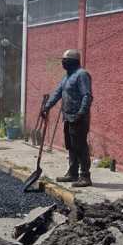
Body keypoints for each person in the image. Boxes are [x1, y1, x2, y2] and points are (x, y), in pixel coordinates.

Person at [41, 49, 94, 188]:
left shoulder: (81, 75)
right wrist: (46, 107)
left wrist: (81, 113)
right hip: (68, 117)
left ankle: (85, 176)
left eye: (65, 60)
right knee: (71, 146)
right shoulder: (67, 77)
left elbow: (87, 96)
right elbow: (57, 93)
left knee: (80, 146)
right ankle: (73, 173)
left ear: (73, 61)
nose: (63, 63)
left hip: (79, 118)